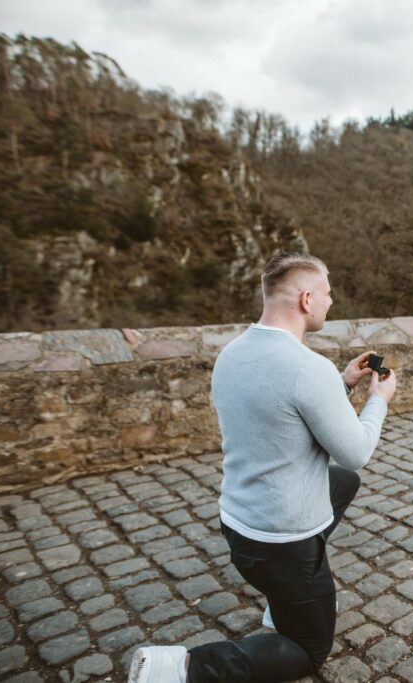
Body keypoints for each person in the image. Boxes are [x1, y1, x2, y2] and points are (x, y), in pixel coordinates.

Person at [129, 252, 397, 682]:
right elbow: (356, 449)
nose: (333, 301)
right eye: (328, 293)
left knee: (342, 483)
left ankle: (283, 595)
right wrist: (377, 401)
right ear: (307, 299)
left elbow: (284, 417)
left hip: (239, 525)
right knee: (307, 651)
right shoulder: (308, 368)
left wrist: (342, 384)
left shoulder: (232, 354)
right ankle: (180, 668)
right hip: (282, 543)